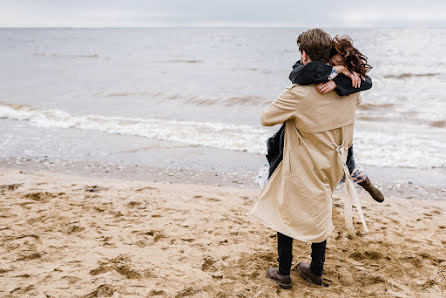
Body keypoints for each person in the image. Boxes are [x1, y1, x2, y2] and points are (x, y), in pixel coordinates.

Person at [250, 28, 368, 289]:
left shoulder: (299, 94)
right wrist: (342, 78)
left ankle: (283, 272)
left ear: (303, 55)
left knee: (286, 211)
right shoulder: (350, 89)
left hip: (302, 164)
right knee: (321, 209)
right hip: (332, 164)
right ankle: (315, 270)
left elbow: (266, 117)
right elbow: (355, 100)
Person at [266, 36, 384, 203]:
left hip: (337, 129)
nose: (337, 66)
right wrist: (336, 72)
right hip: (318, 124)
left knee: (349, 165)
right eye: (335, 62)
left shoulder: (350, 78)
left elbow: (367, 82)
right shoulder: (315, 68)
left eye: (342, 64)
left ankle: (368, 185)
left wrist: (338, 83)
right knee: (276, 144)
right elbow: (297, 73)